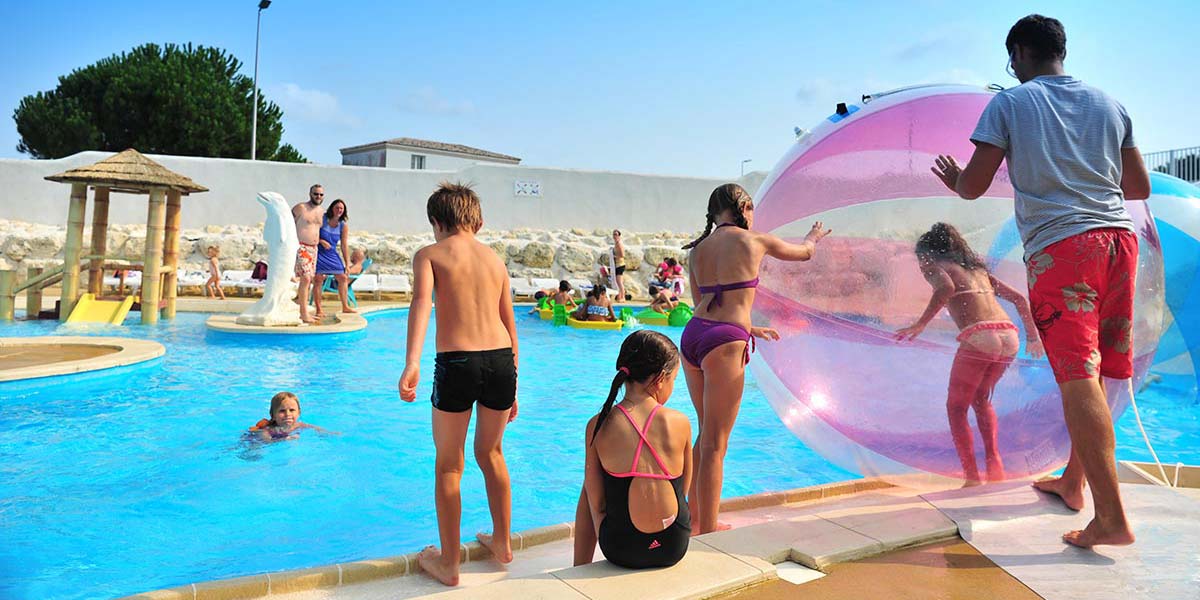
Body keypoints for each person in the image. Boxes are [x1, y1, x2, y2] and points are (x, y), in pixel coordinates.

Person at [930, 14, 1151, 547]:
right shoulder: (1109, 103)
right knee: (1096, 373)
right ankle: (1074, 483)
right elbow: (1138, 184)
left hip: (1063, 248)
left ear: (1021, 52)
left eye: (1011, 58)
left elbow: (974, 187)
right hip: (1120, 243)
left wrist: (957, 178)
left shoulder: (1010, 102)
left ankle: (1112, 518)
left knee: (1076, 376)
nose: (1010, 67)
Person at [681, 183, 829, 534]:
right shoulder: (755, 240)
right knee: (717, 443)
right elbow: (804, 253)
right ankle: (708, 529)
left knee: (706, 434)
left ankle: (695, 518)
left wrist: (750, 330)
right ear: (743, 207)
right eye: (750, 208)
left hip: (694, 335)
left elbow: (702, 301)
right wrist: (814, 235)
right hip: (725, 342)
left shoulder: (697, 249)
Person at [398, 182, 520, 586]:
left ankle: (449, 563)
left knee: (450, 465)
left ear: (436, 222)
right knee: (492, 453)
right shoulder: (495, 261)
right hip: (502, 362)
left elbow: (421, 304)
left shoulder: (430, 255)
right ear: (478, 222)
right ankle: (503, 544)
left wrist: (412, 363)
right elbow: (509, 321)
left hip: (458, 361)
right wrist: (514, 380)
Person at [895, 223, 1044, 484]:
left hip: (980, 336)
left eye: (921, 259)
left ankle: (972, 476)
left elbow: (945, 290)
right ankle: (995, 466)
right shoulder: (978, 271)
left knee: (956, 408)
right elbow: (1020, 299)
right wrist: (1032, 337)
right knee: (981, 399)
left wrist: (920, 324)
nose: (921, 266)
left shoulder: (936, 266)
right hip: (1009, 336)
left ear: (929, 253)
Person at [573, 330, 692, 568]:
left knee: (589, 487)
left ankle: (579, 567)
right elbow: (683, 492)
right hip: (673, 545)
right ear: (660, 379)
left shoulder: (598, 424)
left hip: (621, 549)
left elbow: (596, 504)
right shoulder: (680, 422)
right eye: (674, 380)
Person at [314, 199, 355, 316]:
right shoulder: (323, 219)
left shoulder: (343, 226)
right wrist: (321, 241)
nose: (339, 210)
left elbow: (344, 245)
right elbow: (311, 234)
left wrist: (347, 264)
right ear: (332, 208)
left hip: (332, 254)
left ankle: (345, 306)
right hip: (319, 253)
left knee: (342, 277)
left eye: (341, 208)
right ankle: (319, 309)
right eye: (337, 208)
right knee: (318, 279)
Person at [292, 184, 326, 323]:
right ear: (310, 194)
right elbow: (286, 222)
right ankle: (303, 313)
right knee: (305, 278)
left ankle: (303, 309)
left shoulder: (322, 212)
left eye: (321, 194)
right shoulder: (301, 208)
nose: (318, 196)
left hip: (314, 249)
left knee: (308, 280)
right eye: (315, 194)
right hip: (301, 247)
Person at [247, 392, 335, 441]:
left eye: (292, 410)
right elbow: (267, 441)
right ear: (273, 415)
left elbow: (316, 428)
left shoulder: (299, 425)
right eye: (282, 411)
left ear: (299, 413)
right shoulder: (269, 429)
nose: (288, 414)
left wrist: (330, 434)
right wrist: (285, 439)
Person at [611, 230, 631, 301]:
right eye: (614, 234)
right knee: (618, 282)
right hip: (618, 264)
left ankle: (623, 297)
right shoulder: (616, 243)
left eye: (616, 234)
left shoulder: (619, 243)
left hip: (620, 264)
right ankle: (620, 296)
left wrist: (615, 256)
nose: (615, 236)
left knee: (619, 282)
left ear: (619, 235)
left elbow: (622, 255)